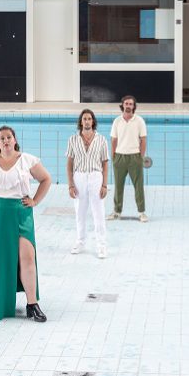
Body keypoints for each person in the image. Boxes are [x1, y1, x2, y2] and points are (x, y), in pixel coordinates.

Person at [0, 126, 52, 322]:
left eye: (9, 137)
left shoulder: (27, 160)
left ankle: (32, 304)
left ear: (15, 140)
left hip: (20, 215)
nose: (6, 140)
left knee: (27, 256)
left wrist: (35, 200)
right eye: (2, 138)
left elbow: (46, 179)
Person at [66, 109, 109, 258]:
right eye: (84, 119)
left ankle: (101, 245)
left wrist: (104, 185)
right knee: (80, 212)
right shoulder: (73, 139)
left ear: (93, 121)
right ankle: (80, 241)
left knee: (99, 212)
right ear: (80, 122)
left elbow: (105, 163)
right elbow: (69, 163)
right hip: (79, 176)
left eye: (89, 119)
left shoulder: (101, 140)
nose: (87, 121)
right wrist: (71, 184)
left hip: (96, 176)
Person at [107, 95, 149, 223]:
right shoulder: (117, 121)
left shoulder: (139, 121)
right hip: (119, 157)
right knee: (118, 186)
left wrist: (140, 157)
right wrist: (114, 156)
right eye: (126, 103)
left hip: (135, 157)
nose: (128, 106)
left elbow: (143, 140)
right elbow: (113, 140)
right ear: (123, 105)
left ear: (134, 106)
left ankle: (141, 213)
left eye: (131, 104)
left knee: (138, 186)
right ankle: (116, 212)